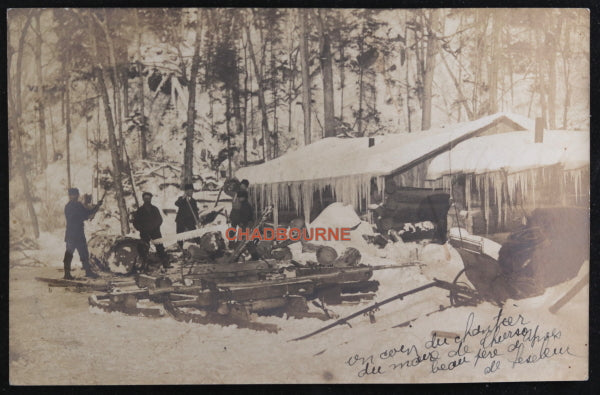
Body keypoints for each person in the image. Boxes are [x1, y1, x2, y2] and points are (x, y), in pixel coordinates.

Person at [63, 188, 102, 279]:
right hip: (72, 235)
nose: (75, 196)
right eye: (73, 194)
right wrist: (90, 212)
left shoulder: (77, 205)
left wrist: (97, 206)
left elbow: (87, 213)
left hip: (78, 234)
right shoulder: (70, 206)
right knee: (69, 254)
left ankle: (88, 271)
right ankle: (67, 274)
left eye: (76, 194)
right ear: (70, 196)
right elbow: (85, 215)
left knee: (84, 253)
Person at [132, 192, 171, 269]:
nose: (147, 200)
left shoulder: (155, 209)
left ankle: (165, 263)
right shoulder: (139, 211)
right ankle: (144, 266)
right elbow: (135, 222)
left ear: (151, 199)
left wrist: (154, 227)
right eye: (145, 198)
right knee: (144, 249)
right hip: (144, 233)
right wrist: (142, 229)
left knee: (160, 248)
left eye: (148, 198)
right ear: (143, 199)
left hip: (155, 232)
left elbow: (159, 220)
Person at [175, 183, 200, 249]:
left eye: (192, 191)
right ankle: (180, 248)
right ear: (186, 191)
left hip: (190, 220)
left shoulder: (194, 201)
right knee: (180, 235)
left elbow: (195, 211)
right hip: (181, 220)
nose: (191, 192)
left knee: (195, 233)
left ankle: (200, 245)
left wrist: (197, 220)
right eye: (190, 191)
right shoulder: (181, 199)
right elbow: (177, 203)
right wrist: (183, 198)